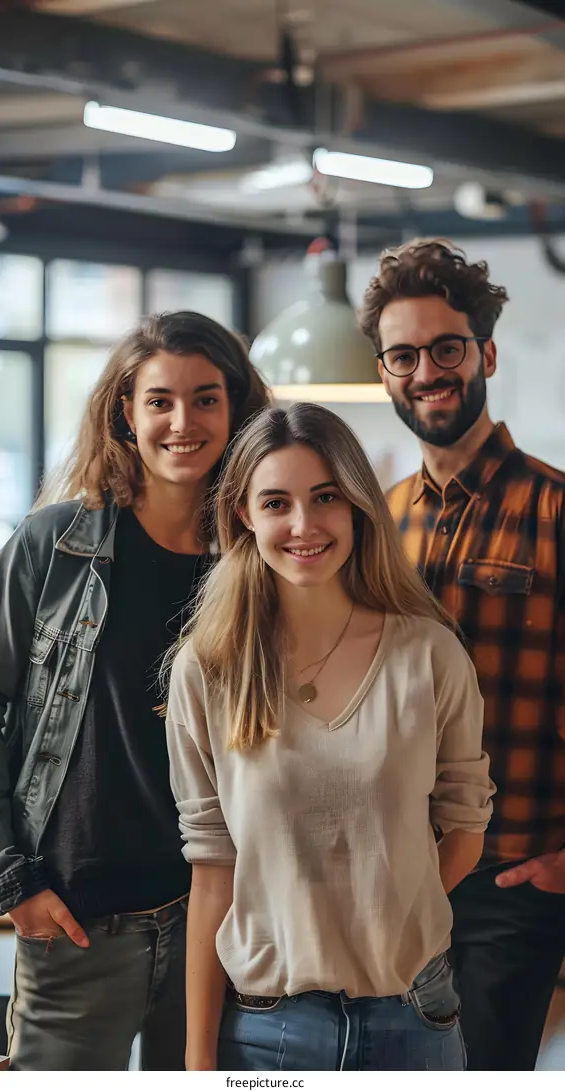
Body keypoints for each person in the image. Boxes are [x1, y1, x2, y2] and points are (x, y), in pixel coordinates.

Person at [0, 311, 269, 1071]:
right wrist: (11, 879)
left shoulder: (260, 561)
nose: (182, 421)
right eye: (159, 400)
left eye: (205, 398)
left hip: (222, 921)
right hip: (77, 918)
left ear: (235, 410)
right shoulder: (54, 545)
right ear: (125, 415)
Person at [165, 402, 495, 1072]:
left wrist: (387, 911)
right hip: (266, 1030)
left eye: (326, 498)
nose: (304, 525)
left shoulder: (429, 655)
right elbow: (212, 873)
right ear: (243, 515)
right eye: (277, 502)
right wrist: (197, 1062)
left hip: (415, 1016)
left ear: (358, 506)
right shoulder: (208, 667)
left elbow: (465, 829)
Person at [361, 237, 565, 1071]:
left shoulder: (555, 510)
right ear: (383, 372)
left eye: (446, 348)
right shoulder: (373, 520)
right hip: (387, 870)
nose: (427, 371)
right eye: (402, 354)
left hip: (513, 883)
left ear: (482, 353)